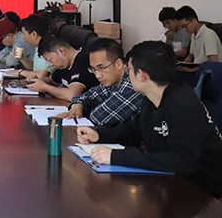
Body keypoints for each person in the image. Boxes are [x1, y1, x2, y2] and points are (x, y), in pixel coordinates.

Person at [77, 41, 222, 199]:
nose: (127, 75)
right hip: (169, 183)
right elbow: (135, 129)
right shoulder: (151, 98)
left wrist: (116, 156)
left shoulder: (182, 103)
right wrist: (99, 135)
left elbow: (181, 160)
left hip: (202, 192)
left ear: (142, 75)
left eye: (129, 70)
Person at [60, 38, 143, 126]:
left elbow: (97, 118)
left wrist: (84, 108)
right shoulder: (112, 80)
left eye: (101, 68)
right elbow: (84, 96)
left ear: (118, 64)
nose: (98, 75)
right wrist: (77, 106)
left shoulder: (132, 85)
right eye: (94, 69)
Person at [25, 34, 99, 102]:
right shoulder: (64, 65)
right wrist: (36, 81)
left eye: (50, 60)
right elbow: (51, 80)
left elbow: (72, 95)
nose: (50, 64)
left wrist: (45, 87)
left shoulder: (82, 62)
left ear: (61, 51)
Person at [16, 14, 54, 80]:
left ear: (34, 34)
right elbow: (34, 68)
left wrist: (19, 72)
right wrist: (22, 58)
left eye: (24, 34)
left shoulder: (47, 48)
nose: (23, 38)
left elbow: (41, 75)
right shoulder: (37, 46)